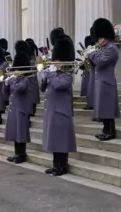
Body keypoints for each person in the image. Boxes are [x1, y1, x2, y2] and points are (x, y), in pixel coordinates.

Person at [41, 36, 76, 176]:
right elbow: (43, 88)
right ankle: (56, 165)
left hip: (61, 111)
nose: (54, 63)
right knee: (55, 140)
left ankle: (63, 166)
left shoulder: (67, 74)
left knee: (62, 141)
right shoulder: (53, 73)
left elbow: (58, 85)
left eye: (56, 60)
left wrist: (50, 74)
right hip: (52, 110)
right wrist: (43, 77)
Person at [87, 18, 120, 141]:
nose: (98, 40)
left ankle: (110, 131)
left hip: (107, 82)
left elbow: (101, 61)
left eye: (99, 38)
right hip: (101, 81)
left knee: (108, 109)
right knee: (103, 108)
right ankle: (105, 129)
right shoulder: (103, 48)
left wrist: (91, 54)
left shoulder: (111, 48)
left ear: (104, 36)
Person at [3, 52, 31, 164]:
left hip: (21, 110)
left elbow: (19, 89)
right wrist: (5, 84)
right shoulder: (14, 79)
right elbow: (5, 94)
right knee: (15, 134)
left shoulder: (25, 80)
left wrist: (12, 81)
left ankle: (22, 154)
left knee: (20, 135)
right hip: (13, 109)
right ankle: (16, 153)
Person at [15, 40, 38, 124]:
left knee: (29, 101)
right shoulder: (23, 57)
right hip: (23, 81)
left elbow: (33, 69)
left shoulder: (30, 59)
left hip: (28, 81)